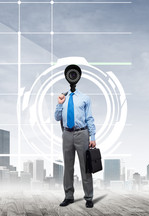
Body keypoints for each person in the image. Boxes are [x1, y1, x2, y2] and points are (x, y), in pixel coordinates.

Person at [54, 65, 96, 208]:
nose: (72, 76)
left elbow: (90, 118)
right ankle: (68, 196)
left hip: (82, 133)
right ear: (67, 77)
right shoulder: (63, 98)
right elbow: (56, 117)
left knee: (86, 167)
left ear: (77, 76)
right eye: (69, 74)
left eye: (74, 74)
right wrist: (59, 104)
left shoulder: (85, 98)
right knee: (68, 167)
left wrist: (93, 137)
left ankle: (89, 197)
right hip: (66, 134)